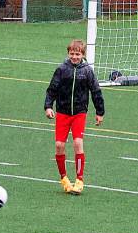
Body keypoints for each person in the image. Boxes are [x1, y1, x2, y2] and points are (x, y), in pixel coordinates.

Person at [44, 39, 105, 195]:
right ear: (68, 54)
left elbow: (96, 91)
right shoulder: (62, 69)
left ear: (83, 55)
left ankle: (79, 179)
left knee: (78, 142)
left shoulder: (87, 71)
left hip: (79, 112)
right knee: (59, 145)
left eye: (77, 54)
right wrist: (48, 106)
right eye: (72, 54)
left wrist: (100, 112)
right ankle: (64, 178)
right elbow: (52, 89)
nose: (74, 57)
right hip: (63, 113)